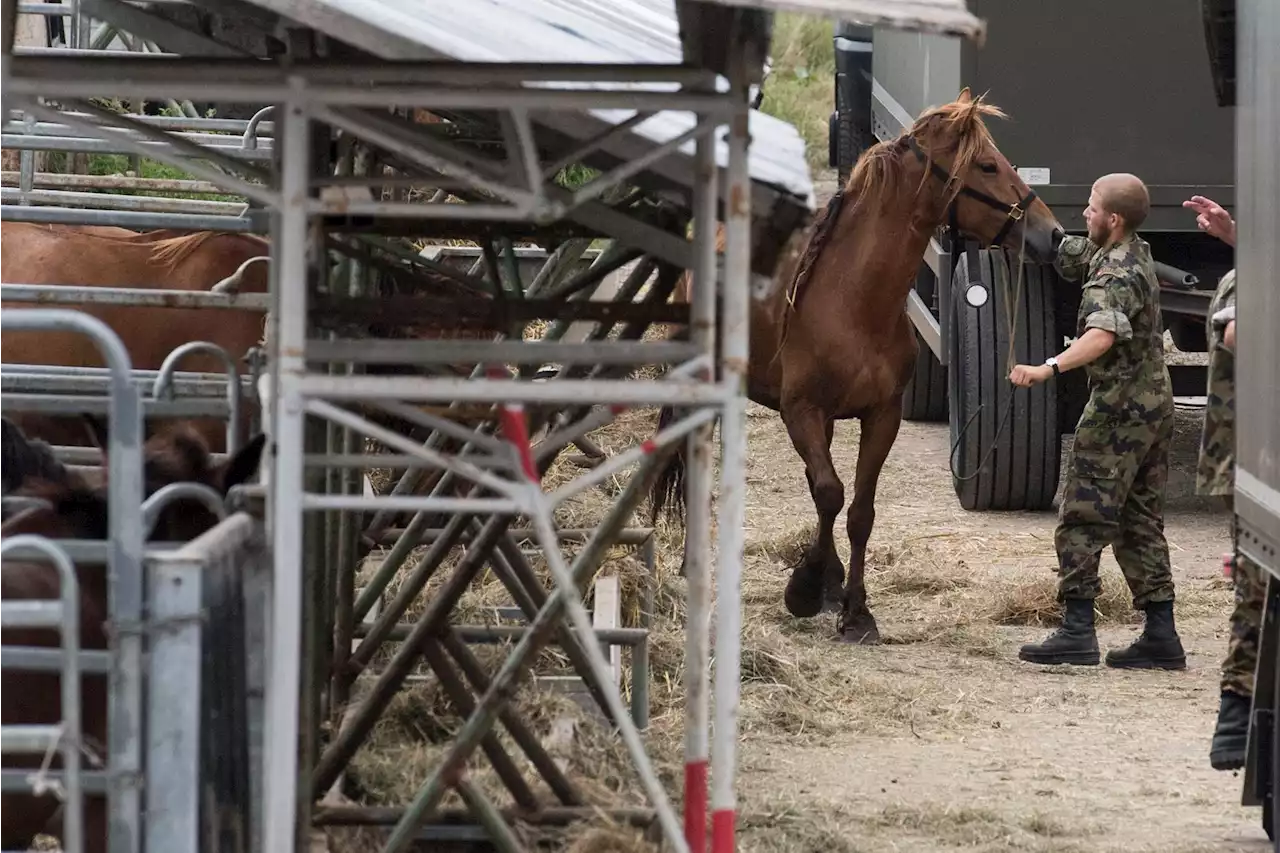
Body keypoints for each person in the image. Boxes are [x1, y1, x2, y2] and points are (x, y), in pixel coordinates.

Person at [1008, 173, 1184, 669]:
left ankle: (1077, 631)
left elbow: (1101, 336)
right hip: (1154, 407)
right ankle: (1161, 636)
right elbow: (1075, 253)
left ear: (1114, 219)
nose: (1084, 214)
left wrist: (1048, 367)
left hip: (1117, 412)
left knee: (1083, 518)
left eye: (1090, 208)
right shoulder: (1133, 252)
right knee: (1139, 521)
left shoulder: (1113, 277)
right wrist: (1026, 224)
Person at [1184, 194, 1260, 771]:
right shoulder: (1247, 280)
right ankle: (1236, 708)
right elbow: (1237, 335)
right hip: (1263, 465)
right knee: (1259, 590)